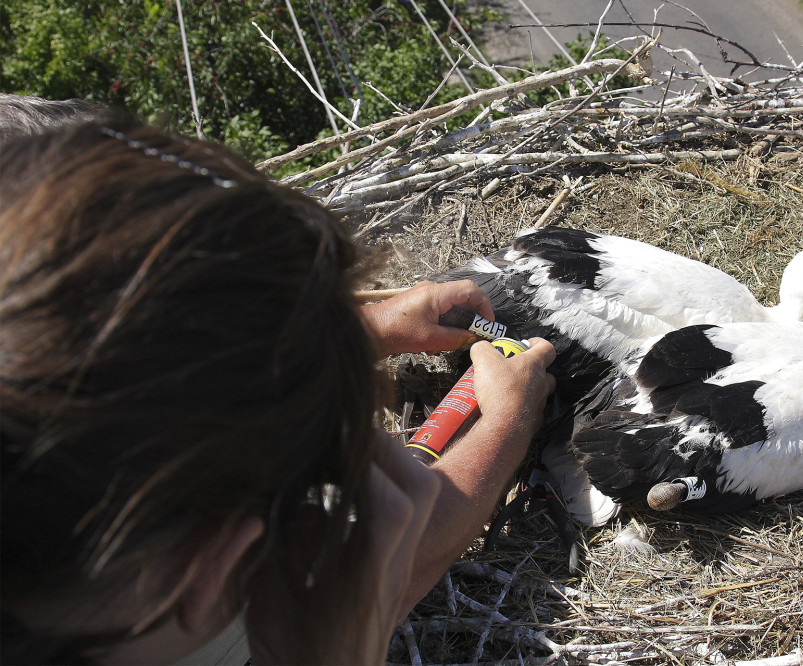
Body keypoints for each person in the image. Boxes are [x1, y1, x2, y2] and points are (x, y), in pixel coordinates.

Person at [0, 108, 556, 664]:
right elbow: (388, 571)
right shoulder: (166, 611)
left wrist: (362, 331)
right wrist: (509, 422)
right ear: (208, 572)